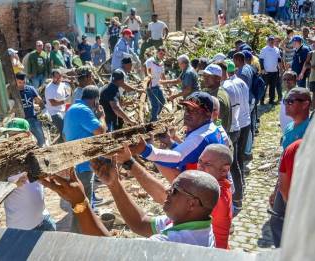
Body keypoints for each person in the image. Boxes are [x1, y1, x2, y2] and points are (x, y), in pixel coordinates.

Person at [41, 165, 220, 247]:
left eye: (175, 191)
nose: (167, 192)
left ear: (191, 203)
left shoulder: (178, 242)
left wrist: (79, 202)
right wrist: (114, 184)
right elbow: (141, 223)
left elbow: (113, 251)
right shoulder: (191, 221)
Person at [131, 92, 225, 182]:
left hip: (212, 193)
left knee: (163, 163)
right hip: (212, 184)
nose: (187, 113)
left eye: (194, 110)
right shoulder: (210, 128)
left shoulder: (201, 136)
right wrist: (170, 143)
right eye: (187, 109)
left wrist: (144, 149)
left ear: (208, 114)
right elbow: (189, 153)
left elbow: (177, 158)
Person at [63, 85, 107, 232]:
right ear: (95, 100)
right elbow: (101, 132)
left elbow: (64, 135)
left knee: (83, 201)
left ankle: (84, 227)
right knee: (82, 202)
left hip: (76, 160)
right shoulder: (84, 111)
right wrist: (101, 117)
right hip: (83, 164)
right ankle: (78, 231)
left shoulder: (73, 109)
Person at [3, 118, 55, 232]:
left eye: (16, 135)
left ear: (27, 134)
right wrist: (13, 185)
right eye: (10, 135)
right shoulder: (4, 162)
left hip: (43, 219)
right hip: (20, 229)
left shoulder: (34, 156)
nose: (13, 139)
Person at [220, 61, 251, 215]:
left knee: (231, 164)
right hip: (241, 123)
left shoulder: (226, 87)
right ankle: (239, 192)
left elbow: (227, 112)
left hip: (232, 127)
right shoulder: (239, 83)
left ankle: (236, 197)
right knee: (238, 161)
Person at [270, 139, 302, 248]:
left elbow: (283, 183)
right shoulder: (293, 148)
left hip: (291, 198)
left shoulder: (293, 147)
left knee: (277, 222)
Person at [16, 72, 46, 147]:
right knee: (24, 143)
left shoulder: (30, 89)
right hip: (20, 122)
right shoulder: (12, 91)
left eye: (24, 82)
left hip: (31, 118)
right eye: (20, 82)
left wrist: (44, 110)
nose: (22, 85)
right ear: (15, 81)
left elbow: (39, 101)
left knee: (41, 140)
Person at [201, 64, 232, 133]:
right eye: (204, 75)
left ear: (218, 78)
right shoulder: (212, 91)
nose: (205, 78)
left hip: (217, 138)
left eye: (209, 76)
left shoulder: (218, 98)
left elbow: (216, 123)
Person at [45, 69, 70, 143]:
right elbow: (53, 103)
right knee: (64, 131)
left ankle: (55, 144)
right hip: (54, 112)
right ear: (52, 77)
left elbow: (67, 93)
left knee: (64, 131)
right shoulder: (49, 88)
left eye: (59, 77)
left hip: (63, 110)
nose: (58, 79)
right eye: (56, 77)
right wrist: (65, 101)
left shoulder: (63, 84)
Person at [145, 46, 167, 122]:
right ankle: (152, 121)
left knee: (162, 101)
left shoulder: (161, 63)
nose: (162, 56)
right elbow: (148, 71)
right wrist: (149, 76)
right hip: (151, 86)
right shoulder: (150, 61)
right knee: (155, 105)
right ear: (157, 53)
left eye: (163, 54)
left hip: (157, 85)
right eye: (161, 53)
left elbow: (163, 75)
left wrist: (167, 86)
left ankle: (154, 116)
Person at [260, 36, 282, 105]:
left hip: (275, 71)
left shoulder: (277, 49)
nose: (271, 41)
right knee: (264, 87)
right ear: (267, 41)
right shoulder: (264, 49)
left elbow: (279, 59)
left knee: (272, 87)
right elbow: (261, 59)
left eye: (272, 40)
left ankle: (271, 100)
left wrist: (280, 68)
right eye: (270, 40)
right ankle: (261, 100)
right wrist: (262, 69)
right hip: (266, 72)